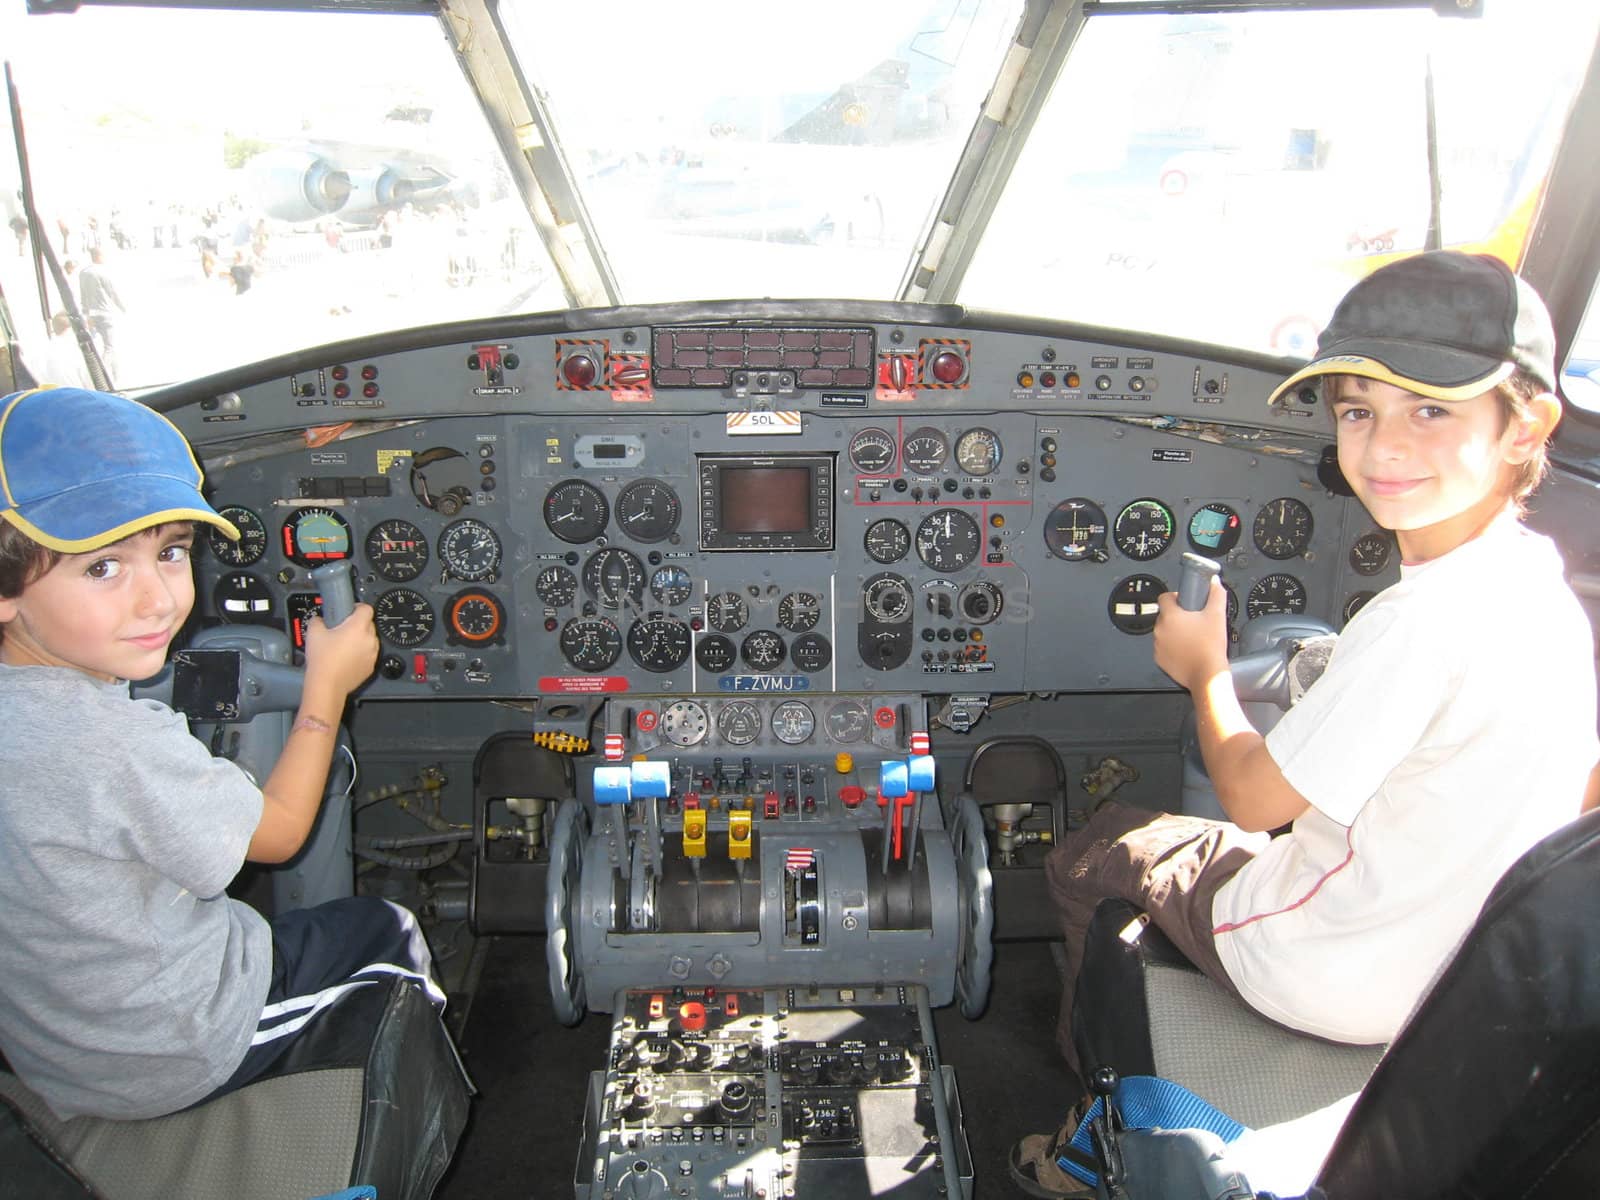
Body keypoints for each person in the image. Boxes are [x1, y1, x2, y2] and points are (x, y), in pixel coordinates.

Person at [1010, 251, 1599, 1198]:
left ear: (1526, 419)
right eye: (1359, 410)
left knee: (1101, 850)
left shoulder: (1421, 620)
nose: (1382, 447)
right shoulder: (1543, 593)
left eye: (1431, 410)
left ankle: (1099, 1134)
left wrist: (1203, 670)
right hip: (1467, 984)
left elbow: (1249, 793)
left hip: (1333, 975)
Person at [0, 386, 444, 1122]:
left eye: (171, 553)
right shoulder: (109, 743)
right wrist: (325, 689)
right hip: (171, 1046)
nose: (158, 602)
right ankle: (375, 1121)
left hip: (58, 1043)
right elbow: (278, 833)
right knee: (388, 932)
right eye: (103, 568)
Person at [76, 247, 125, 376]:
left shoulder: (83, 273)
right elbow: (112, 293)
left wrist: (86, 313)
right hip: (105, 313)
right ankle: (103, 373)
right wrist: (123, 308)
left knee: (92, 345)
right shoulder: (102, 272)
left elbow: (82, 295)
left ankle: (115, 374)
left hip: (91, 315)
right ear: (98, 256)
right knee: (109, 346)